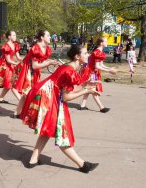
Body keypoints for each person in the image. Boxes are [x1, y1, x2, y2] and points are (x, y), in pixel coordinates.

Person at [20, 45, 99, 173]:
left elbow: (68, 89)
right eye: (85, 53)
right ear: (77, 57)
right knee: (62, 132)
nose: (88, 55)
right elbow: (67, 97)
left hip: (48, 96)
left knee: (47, 129)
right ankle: (82, 165)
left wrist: (84, 85)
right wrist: (86, 90)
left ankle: (33, 160)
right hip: (49, 99)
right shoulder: (70, 71)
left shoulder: (68, 67)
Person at [12, 30, 59, 118]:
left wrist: (50, 61)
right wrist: (49, 63)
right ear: (42, 37)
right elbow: (34, 65)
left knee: (29, 92)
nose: (50, 37)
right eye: (48, 35)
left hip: (34, 71)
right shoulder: (36, 48)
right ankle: (25, 112)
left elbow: (41, 62)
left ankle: (18, 113)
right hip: (27, 70)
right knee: (28, 92)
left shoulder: (47, 48)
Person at [80, 37, 117, 112]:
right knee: (93, 90)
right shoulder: (98, 52)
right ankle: (101, 107)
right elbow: (97, 66)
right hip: (90, 72)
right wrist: (108, 71)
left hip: (93, 72)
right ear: (101, 43)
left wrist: (109, 69)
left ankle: (82, 105)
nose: (107, 43)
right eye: (106, 41)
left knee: (89, 89)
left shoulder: (100, 52)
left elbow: (101, 65)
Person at [0, 30, 23, 103]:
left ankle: (0, 98)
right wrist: (16, 63)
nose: (15, 37)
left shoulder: (15, 45)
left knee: (8, 84)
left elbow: (18, 57)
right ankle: (22, 102)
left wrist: (27, 59)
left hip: (11, 65)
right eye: (13, 35)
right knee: (11, 84)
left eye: (15, 35)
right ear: (9, 37)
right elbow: (8, 60)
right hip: (6, 66)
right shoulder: (6, 46)